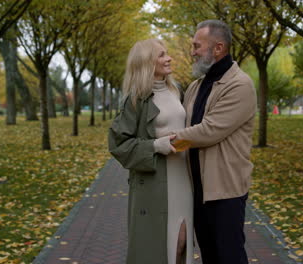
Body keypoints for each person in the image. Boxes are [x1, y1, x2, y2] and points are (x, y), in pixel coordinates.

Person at [170, 20, 257, 263]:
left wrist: (167, 143)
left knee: (229, 256)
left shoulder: (240, 85)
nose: (192, 51)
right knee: (209, 255)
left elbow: (209, 131)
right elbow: (184, 124)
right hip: (198, 188)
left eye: (197, 46)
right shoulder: (197, 85)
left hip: (225, 190)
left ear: (218, 48)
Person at [108, 39, 194, 264]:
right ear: (147, 62)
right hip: (155, 184)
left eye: (167, 53)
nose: (169, 58)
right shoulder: (135, 100)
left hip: (184, 178)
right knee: (157, 248)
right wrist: (156, 145)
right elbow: (118, 145)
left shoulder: (175, 91)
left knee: (182, 242)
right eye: (162, 55)